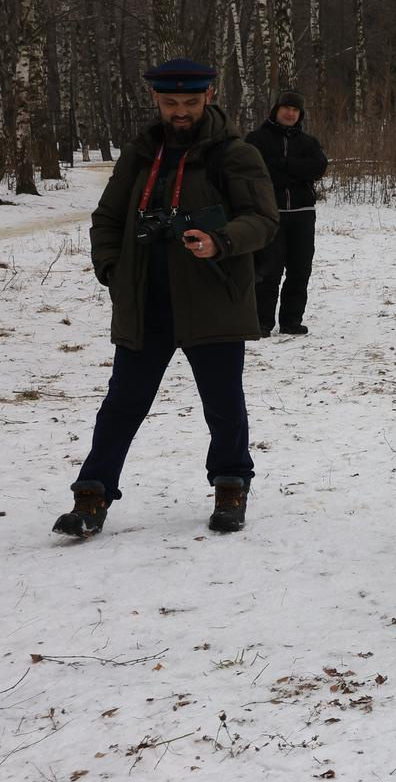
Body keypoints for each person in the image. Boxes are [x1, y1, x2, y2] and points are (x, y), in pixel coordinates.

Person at [52, 59, 280, 540]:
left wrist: (221, 240)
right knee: (123, 402)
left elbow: (262, 218)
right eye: (171, 103)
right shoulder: (140, 153)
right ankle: (91, 495)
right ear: (156, 100)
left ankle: (231, 485)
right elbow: (107, 219)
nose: (180, 112)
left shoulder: (234, 153)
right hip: (146, 302)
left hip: (214, 296)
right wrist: (112, 269)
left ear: (209, 95)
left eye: (190, 103)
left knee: (222, 403)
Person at [247, 87, 327, 337]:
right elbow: (256, 171)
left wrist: (285, 165)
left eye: (295, 110)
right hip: (269, 213)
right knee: (268, 269)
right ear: (276, 110)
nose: (290, 113)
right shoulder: (257, 139)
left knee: (300, 268)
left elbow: (318, 167)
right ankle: (261, 321)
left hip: (303, 213)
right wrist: (294, 173)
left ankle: (292, 321)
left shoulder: (309, 142)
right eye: (286, 108)